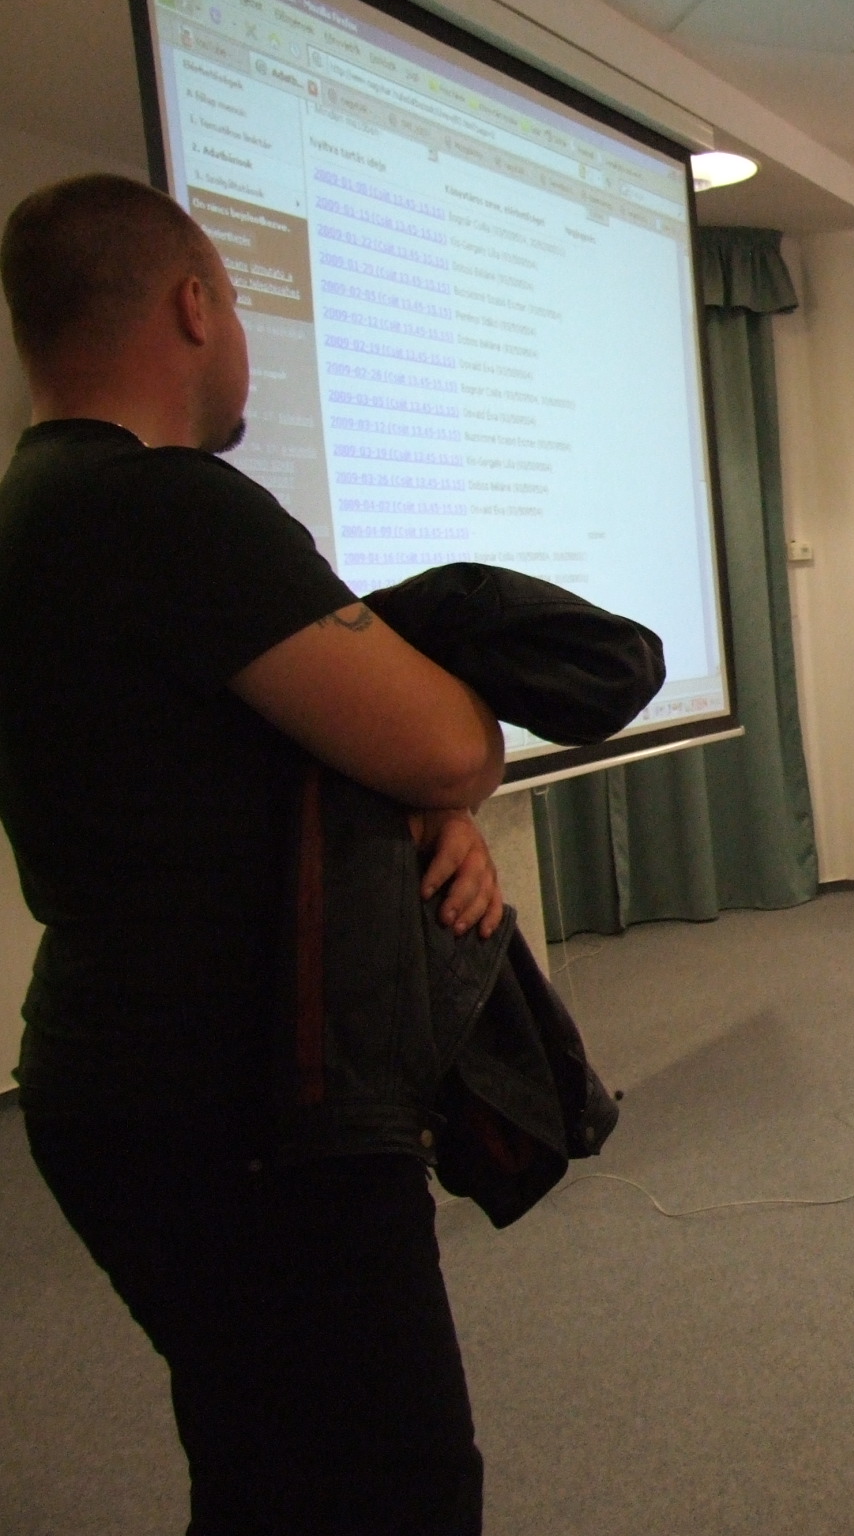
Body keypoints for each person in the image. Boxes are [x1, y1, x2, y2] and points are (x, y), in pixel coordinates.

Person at [1, 174, 506, 1531]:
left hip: (110, 1076)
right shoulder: (170, 506)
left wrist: (417, 796)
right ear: (193, 304)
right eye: (236, 305)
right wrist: (453, 774)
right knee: (396, 1486)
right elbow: (443, 744)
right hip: (249, 1106)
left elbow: (227, 752)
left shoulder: (35, 509)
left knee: (260, 1459)